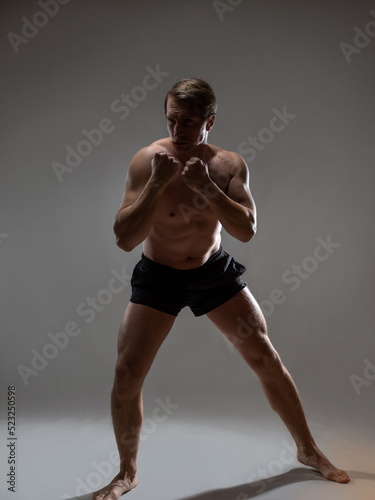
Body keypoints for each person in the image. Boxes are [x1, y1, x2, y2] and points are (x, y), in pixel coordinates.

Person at [92, 78, 350, 499]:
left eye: (189, 122)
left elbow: (246, 231)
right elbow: (124, 238)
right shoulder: (146, 161)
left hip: (213, 273)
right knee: (126, 374)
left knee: (265, 356)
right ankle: (126, 473)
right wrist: (157, 184)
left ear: (209, 121)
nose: (179, 131)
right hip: (159, 277)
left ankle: (308, 450)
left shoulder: (229, 164)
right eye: (172, 120)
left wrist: (208, 189)